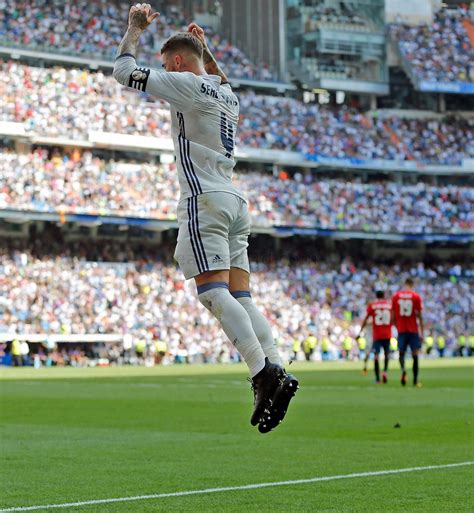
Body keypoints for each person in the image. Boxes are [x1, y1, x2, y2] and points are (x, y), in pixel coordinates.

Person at [112, 3, 298, 433]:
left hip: (203, 199)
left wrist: (134, 29)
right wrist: (206, 49)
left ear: (177, 63)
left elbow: (123, 71)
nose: (164, 71)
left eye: (166, 65)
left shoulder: (186, 84)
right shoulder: (226, 93)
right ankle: (277, 365)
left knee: (212, 293)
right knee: (242, 296)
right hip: (235, 200)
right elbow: (220, 78)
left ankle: (261, 371)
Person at [391, 278, 424, 387]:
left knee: (401, 353)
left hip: (402, 330)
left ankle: (403, 371)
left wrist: (397, 326)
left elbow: (393, 316)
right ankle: (415, 380)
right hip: (413, 330)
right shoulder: (416, 296)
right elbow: (419, 316)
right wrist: (422, 332)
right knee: (415, 354)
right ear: (412, 285)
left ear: (405, 284)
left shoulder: (396, 296)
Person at [358, 290, 392, 384]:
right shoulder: (389, 305)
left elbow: (366, 318)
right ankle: (385, 371)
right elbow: (393, 318)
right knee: (386, 354)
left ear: (376, 296)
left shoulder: (372, 305)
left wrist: (360, 331)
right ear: (384, 295)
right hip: (387, 333)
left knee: (376, 356)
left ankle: (377, 379)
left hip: (377, 334)